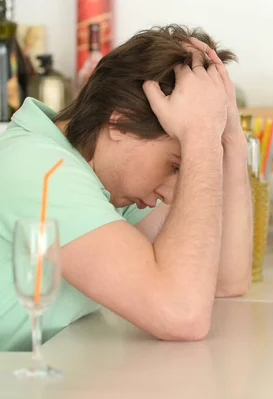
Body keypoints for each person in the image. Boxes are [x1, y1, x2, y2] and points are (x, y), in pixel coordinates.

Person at [0, 24, 253, 351]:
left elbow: (226, 278)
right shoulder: (40, 168)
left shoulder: (104, 174)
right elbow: (181, 313)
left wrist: (230, 141)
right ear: (118, 123)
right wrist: (201, 139)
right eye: (174, 165)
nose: (173, 193)